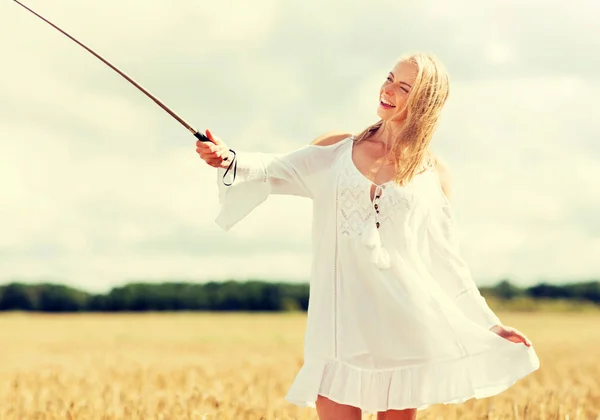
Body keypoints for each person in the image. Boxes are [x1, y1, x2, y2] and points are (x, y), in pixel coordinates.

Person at [195, 53, 540, 420]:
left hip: (405, 329)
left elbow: (446, 261)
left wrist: (490, 323)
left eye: (403, 87)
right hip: (339, 329)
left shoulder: (434, 173)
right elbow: (271, 167)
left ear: (424, 103)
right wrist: (226, 156)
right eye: (389, 78)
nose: (388, 89)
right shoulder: (335, 149)